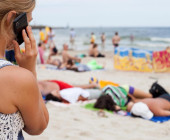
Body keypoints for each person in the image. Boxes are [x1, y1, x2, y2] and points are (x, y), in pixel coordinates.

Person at [0, 0, 49, 139]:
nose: (26, 29)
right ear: (10, 19)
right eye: (26, 23)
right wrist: (30, 70)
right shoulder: (17, 79)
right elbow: (39, 126)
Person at [94, 82, 170, 118]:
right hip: (122, 92)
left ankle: (155, 87)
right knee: (147, 100)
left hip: (127, 90)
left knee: (150, 96)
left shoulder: (117, 101)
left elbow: (119, 108)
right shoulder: (103, 94)